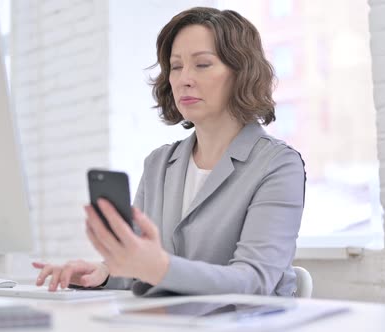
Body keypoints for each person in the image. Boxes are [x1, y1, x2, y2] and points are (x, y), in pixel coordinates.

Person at [33, 7, 305, 297]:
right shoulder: (159, 164)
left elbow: (254, 280)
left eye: (202, 64)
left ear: (241, 73)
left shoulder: (278, 165)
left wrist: (160, 268)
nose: (184, 78)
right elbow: (140, 266)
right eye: (176, 66)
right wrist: (104, 272)